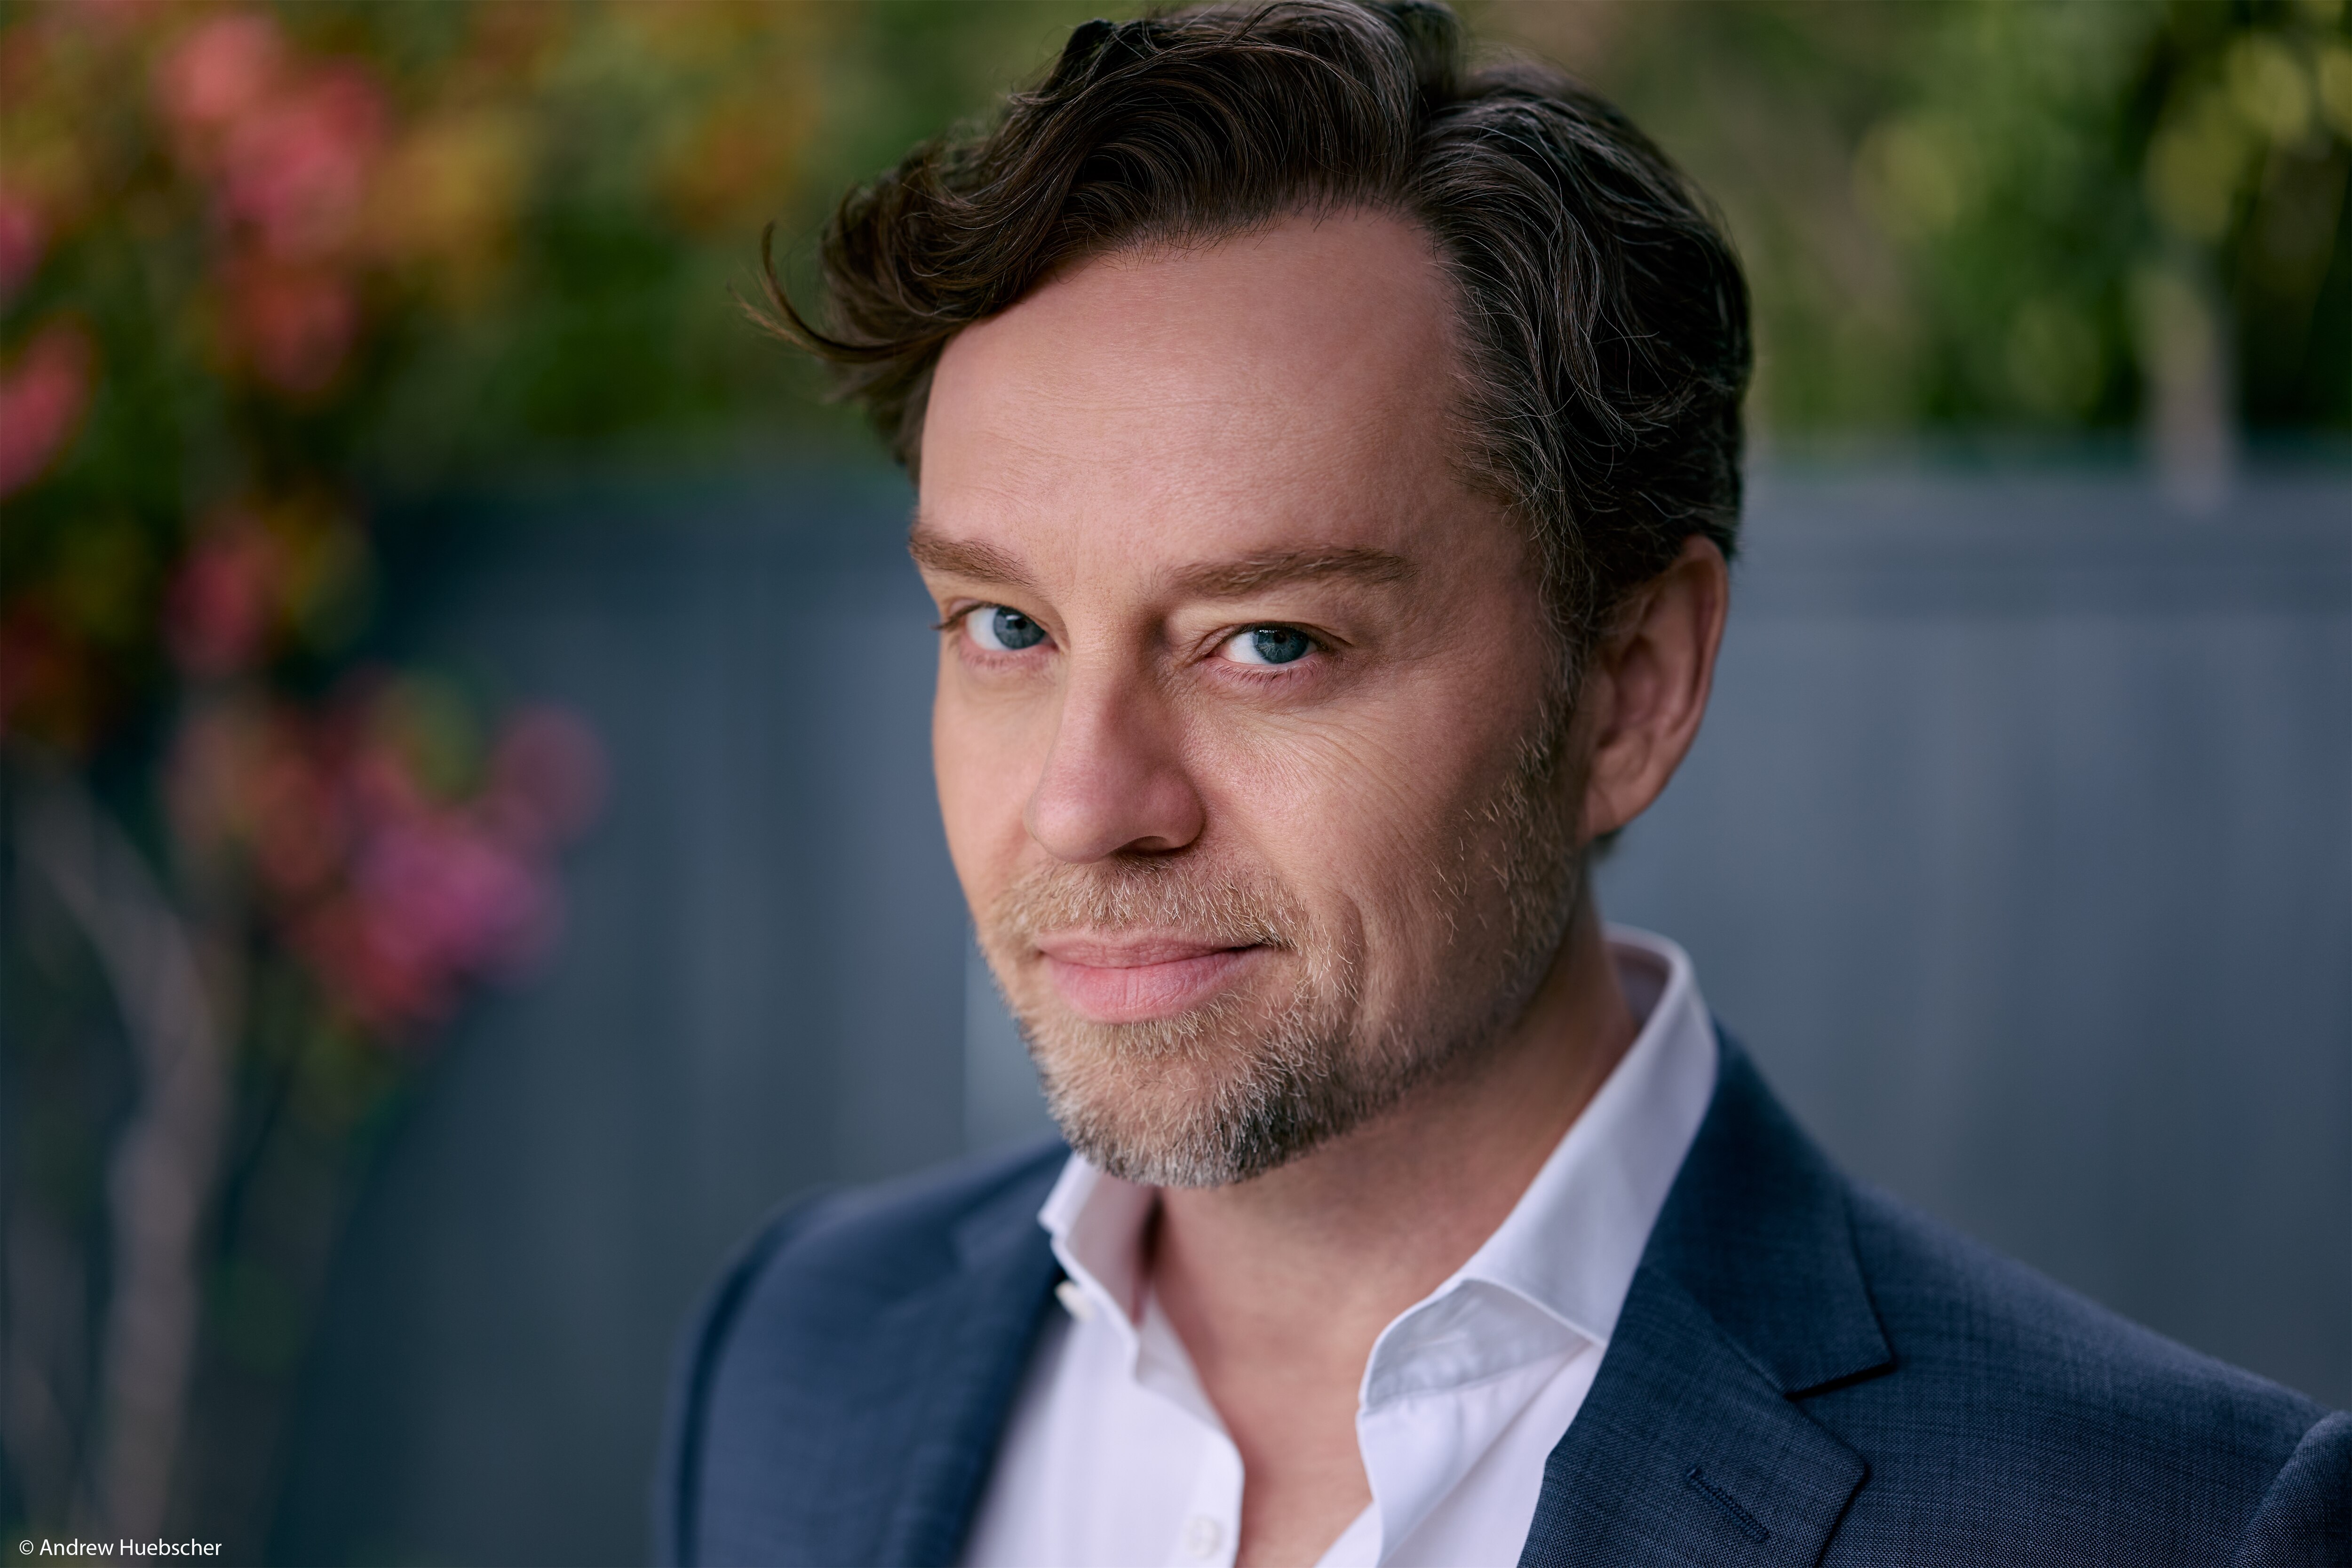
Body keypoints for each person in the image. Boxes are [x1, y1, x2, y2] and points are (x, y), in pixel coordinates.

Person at [656, 4, 2347, 1563]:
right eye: (1006, 625)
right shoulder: (798, 1358)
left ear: (1632, 687)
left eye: (1270, 644)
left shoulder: (2167, 1526)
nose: (1088, 803)